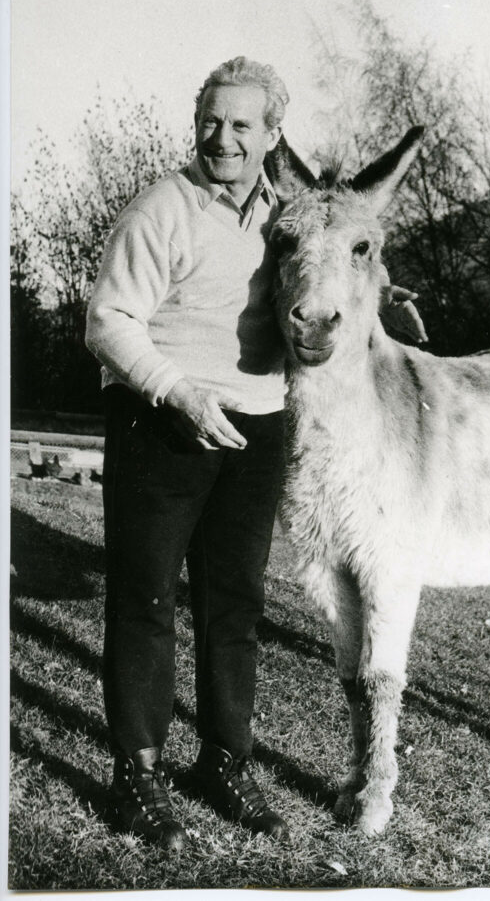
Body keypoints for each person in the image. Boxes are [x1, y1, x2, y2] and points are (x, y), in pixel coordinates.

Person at [86, 56, 427, 851]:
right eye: (211, 120)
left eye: (242, 125)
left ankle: (223, 763)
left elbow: (334, 252)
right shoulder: (161, 209)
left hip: (257, 431)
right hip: (161, 424)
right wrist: (177, 392)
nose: (223, 138)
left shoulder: (284, 211)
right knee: (144, 602)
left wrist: (381, 295)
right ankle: (138, 773)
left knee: (234, 609)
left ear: (272, 138)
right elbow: (108, 321)